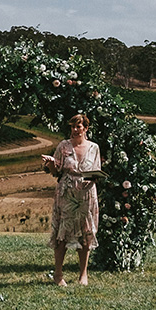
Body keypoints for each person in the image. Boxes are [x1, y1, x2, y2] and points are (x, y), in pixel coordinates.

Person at [43, 113, 100, 286]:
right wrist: (51, 162)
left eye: (78, 127)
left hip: (86, 194)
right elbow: (55, 172)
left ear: (86, 129)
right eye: (73, 127)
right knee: (63, 233)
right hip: (66, 194)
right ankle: (58, 274)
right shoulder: (63, 146)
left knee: (85, 233)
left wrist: (92, 179)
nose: (75, 130)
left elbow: (97, 171)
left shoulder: (94, 148)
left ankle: (83, 274)